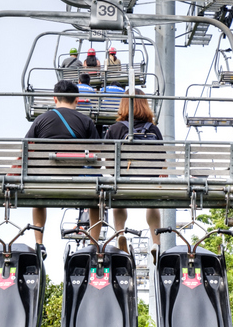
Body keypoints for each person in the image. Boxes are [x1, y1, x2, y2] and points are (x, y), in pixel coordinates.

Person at [26, 80, 102, 253]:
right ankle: (93, 244)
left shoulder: (41, 120)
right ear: (77, 100)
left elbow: (26, 148)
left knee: (38, 196)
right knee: (96, 199)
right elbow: (98, 155)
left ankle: (39, 243)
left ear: (55, 99)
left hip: (46, 181)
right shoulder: (86, 121)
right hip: (79, 181)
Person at [104, 89, 162, 261]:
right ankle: (156, 242)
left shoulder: (114, 129)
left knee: (117, 196)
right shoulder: (153, 129)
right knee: (153, 201)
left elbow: (107, 161)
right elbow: (162, 160)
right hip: (148, 182)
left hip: (123, 181)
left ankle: (120, 232)